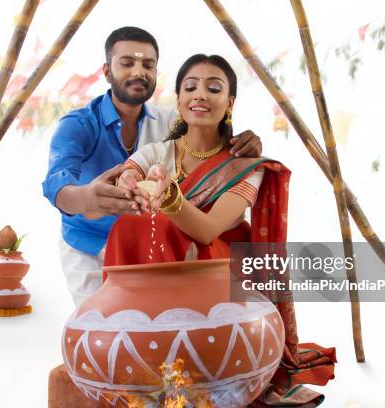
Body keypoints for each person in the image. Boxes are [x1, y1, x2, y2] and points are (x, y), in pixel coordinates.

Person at [104, 54, 336, 407]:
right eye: (190, 87)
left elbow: (210, 230)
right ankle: (136, 338)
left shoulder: (243, 166)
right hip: (159, 265)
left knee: (168, 226)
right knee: (129, 223)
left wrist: (169, 198)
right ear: (179, 100)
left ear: (228, 103)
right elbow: (128, 175)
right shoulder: (157, 152)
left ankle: (185, 355)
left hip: (218, 268)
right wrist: (131, 181)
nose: (200, 95)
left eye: (213, 88)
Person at [42, 27, 262, 307]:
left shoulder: (170, 120)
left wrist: (249, 144)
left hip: (159, 247)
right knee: (101, 329)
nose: (138, 72)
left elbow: (210, 138)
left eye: (148, 65)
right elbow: (56, 184)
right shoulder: (78, 125)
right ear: (107, 72)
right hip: (89, 241)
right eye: (127, 63)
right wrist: (89, 198)